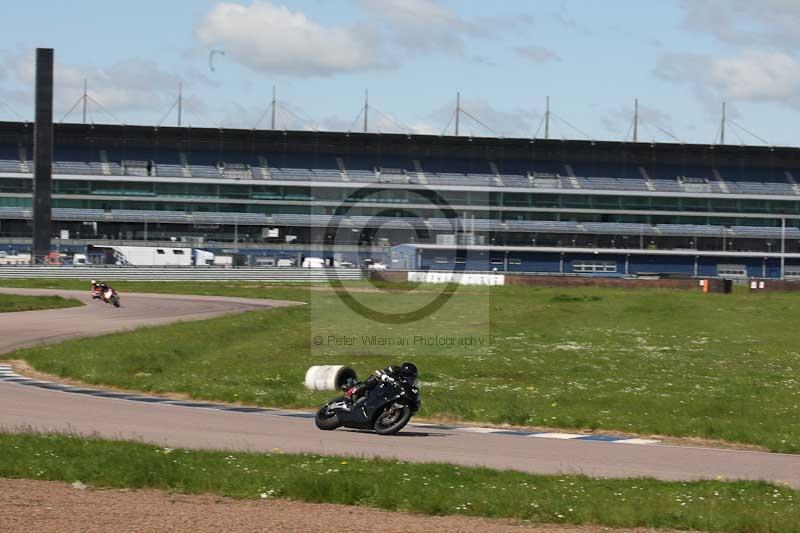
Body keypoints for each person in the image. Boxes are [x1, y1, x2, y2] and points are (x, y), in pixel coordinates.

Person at [344, 362, 418, 402]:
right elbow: (378, 372)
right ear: (404, 374)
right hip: (379, 386)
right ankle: (350, 392)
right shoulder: (395, 370)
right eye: (410, 377)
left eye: (412, 379)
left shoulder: (407, 385)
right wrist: (384, 376)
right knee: (373, 380)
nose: (411, 380)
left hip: (387, 395)